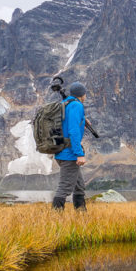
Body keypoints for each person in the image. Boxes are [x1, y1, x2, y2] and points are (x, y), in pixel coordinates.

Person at [52, 81, 89, 210]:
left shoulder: (65, 104)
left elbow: (67, 124)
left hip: (60, 151)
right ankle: (54, 218)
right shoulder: (76, 106)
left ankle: (81, 215)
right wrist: (79, 154)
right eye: (85, 94)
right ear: (81, 94)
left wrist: (82, 120)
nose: (85, 96)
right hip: (69, 154)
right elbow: (73, 131)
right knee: (64, 187)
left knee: (79, 186)